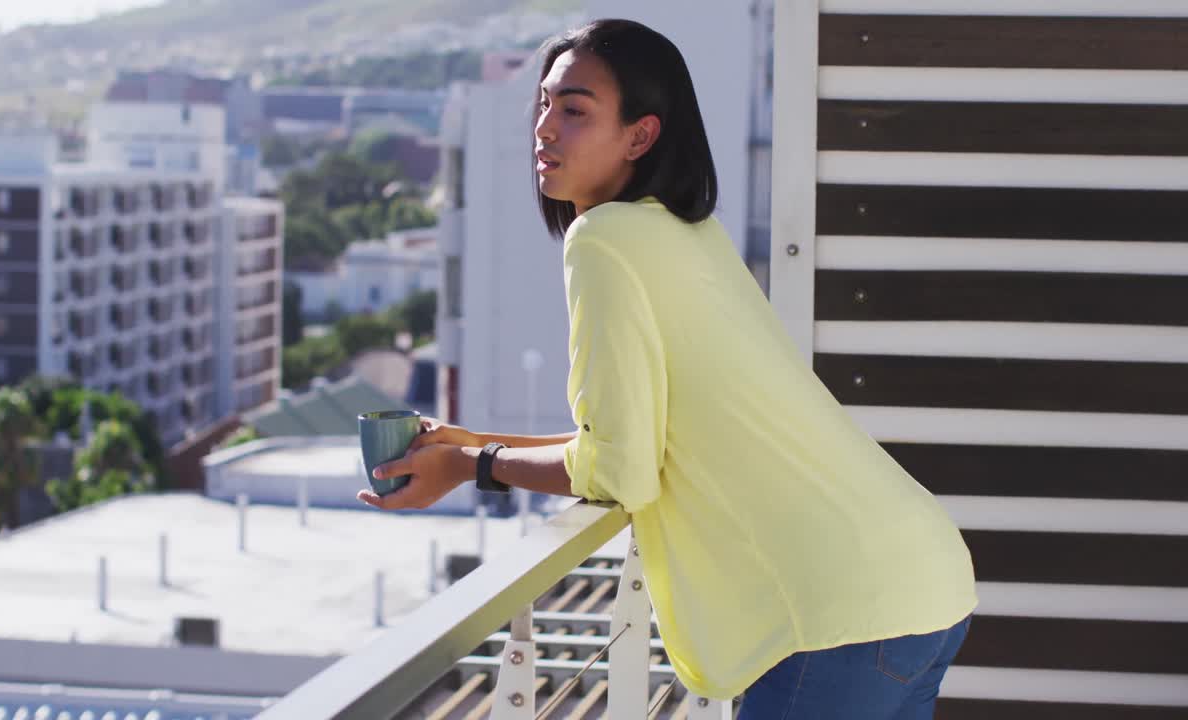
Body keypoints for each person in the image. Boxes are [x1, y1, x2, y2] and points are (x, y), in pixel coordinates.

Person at [357, 18, 977, 719]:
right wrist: (466, 446)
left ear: (640, 136)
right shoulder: (685, 234)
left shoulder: (603, 241)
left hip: (839, 616)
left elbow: (620, 470)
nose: (545, 128)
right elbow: (640, 446)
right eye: (544, 105)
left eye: (575, 110)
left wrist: (477, 466)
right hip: (922, 581)